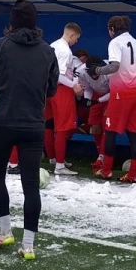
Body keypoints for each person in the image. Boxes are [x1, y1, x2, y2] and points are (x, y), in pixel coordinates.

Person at [0, 0, 58, 261]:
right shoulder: (47, 51)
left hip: (2, 122)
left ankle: (5, 231)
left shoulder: (1, 45)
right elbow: (52, 89)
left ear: (12, 22)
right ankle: (28, 245)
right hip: (33, 124)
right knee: (31, 185)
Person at [95, 15, 136, 183]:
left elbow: (114, 66)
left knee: (110, 131)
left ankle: (106, 170)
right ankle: (133, 174)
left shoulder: (115, 42)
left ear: (112, 29)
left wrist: (98, 70)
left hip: (121, 93)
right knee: (134, 134)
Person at [46, 23, 82, 175]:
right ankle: (59, 166)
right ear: (72, 35)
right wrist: (74, 85)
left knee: (49, 125)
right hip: (61, 90)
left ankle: (54, 158)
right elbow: (59, 76)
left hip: (48, 90)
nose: (76, 42)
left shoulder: (52, 45)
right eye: (76, 38)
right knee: (62, 129)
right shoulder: (66, 51)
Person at [76, 50, 111, 166]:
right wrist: (87, 99)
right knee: (95, 128)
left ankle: (103, 158)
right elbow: (87, 88)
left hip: (110, 96)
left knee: (106, 126)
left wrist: (97, 101)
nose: (96, 73)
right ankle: (100, 155)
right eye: (93, 71)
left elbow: (114, 91)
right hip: (96, 95)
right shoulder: (82, 71)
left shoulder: (109, 70)